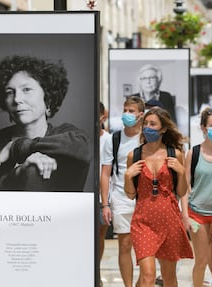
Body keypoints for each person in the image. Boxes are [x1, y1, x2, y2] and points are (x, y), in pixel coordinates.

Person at [0, 55, 91, 191]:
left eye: (26, 89)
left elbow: (85, 150)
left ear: (47, 97)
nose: (17, 99)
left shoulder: (69, 135)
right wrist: (18, 174)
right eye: (9, 92)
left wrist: (15, 147)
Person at [124, 107, 193, 287]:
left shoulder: (175, 155)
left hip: (169, 220)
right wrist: (127, 176)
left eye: (152, 124)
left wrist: (182, 171)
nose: (147, 127)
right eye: (145, 123)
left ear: (163, 129)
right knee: (148, 275)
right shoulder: (135, 155)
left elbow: (182, 191)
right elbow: (131, 194)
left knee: (169, 277)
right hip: (143, 221)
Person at [181, 108, 212, 287]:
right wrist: (185, 215)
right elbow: (185, 187)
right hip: (197, 215)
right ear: (203, 128)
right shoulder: (193, 154)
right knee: (201, 261)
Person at [100, 96, 145, 287]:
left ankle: (143, 282)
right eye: (125, 110)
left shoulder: (146, 137)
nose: (127, 114)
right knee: (125, 245)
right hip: (120, 198)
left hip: (145, 198)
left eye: (131, 111)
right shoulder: (114, 139)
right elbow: (105, 173)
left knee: (145, 246)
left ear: (140, 114)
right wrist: (105, 204)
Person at [99, 102, 112, 287]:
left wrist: (105, 201)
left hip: (103, 196)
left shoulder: (108, 139)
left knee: (100, 236)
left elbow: (107, 171)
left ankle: (97, 270)